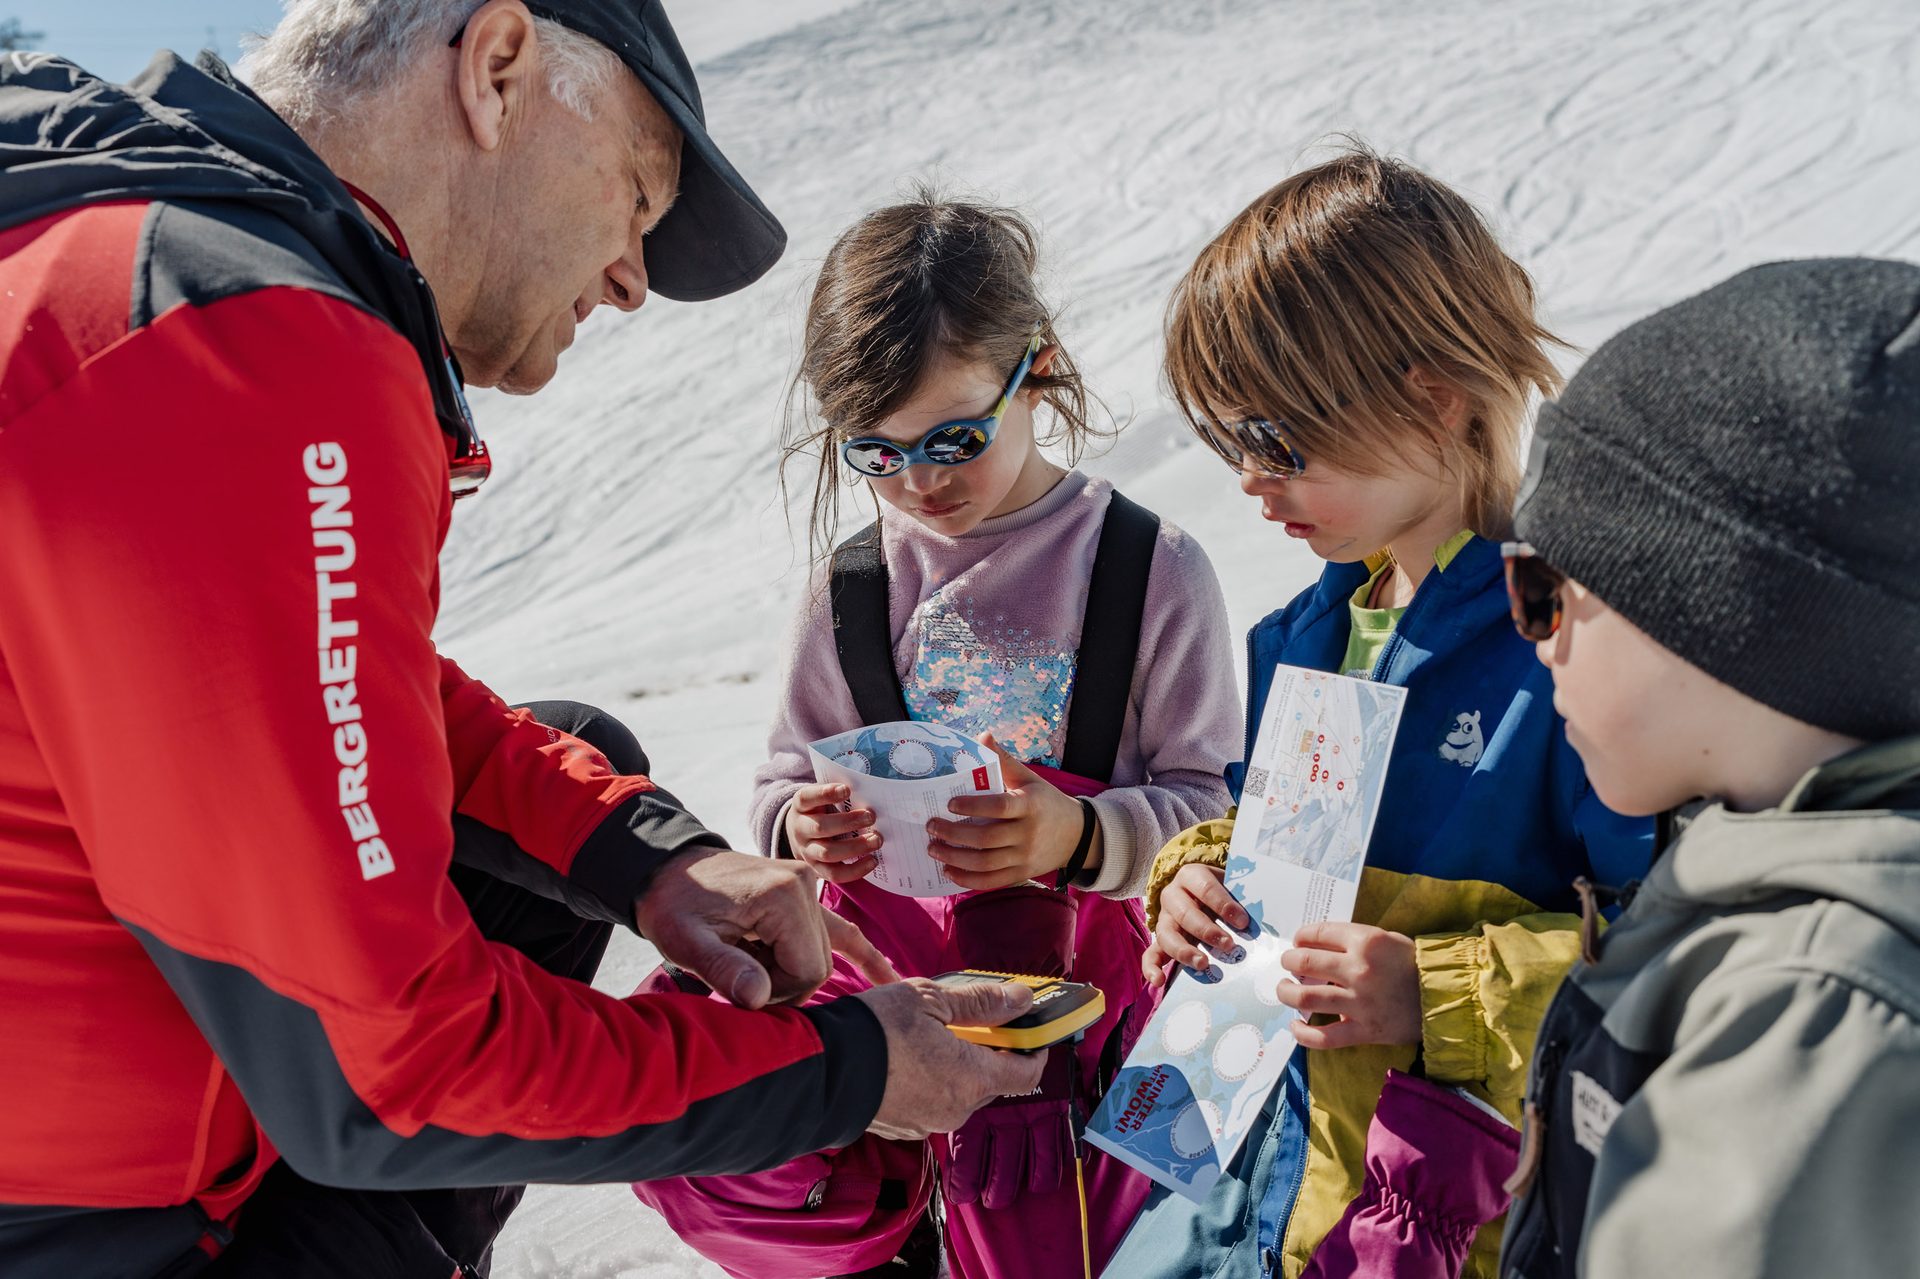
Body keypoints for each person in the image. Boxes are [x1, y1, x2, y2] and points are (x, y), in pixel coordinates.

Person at [0, 4, 1042, 1276]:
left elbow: (297, 690)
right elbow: (391, 1072)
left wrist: (651, 857)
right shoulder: (242, 339)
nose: (629, 278)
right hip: (98, 1227)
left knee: (578, 754)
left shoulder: (119, 264)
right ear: (496, 70)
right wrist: (850, 1066)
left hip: (112, 1129)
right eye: (638, 195)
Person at [633, 191, 1242, 1278]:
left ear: (1038, 369)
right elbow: (784, 774)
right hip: (907, 1038)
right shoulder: (851, 589)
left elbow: (1214, 812)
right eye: (876, 452)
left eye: (957, 436)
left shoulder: (1149, 569)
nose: (921, 481)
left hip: (1110, 1040)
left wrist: (1077, 835)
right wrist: (801, 830)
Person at [1105, 147, 1652, 1279]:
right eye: (1229, 445)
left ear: (1431, 396)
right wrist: (1196, 881)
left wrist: (1433, 989)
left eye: (1276, 441)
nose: (1251, 482)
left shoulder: (1567, 646)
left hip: (1449, 1221)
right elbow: (1286, 853)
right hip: (1246, 1181)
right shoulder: (1302, 633)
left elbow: (1663, 956)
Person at [1496, 257, 1920, 1278]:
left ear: (1718, 611)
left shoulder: (1811, 1031)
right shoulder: (1772, 896)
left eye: (1546, 587)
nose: (1537, 639)